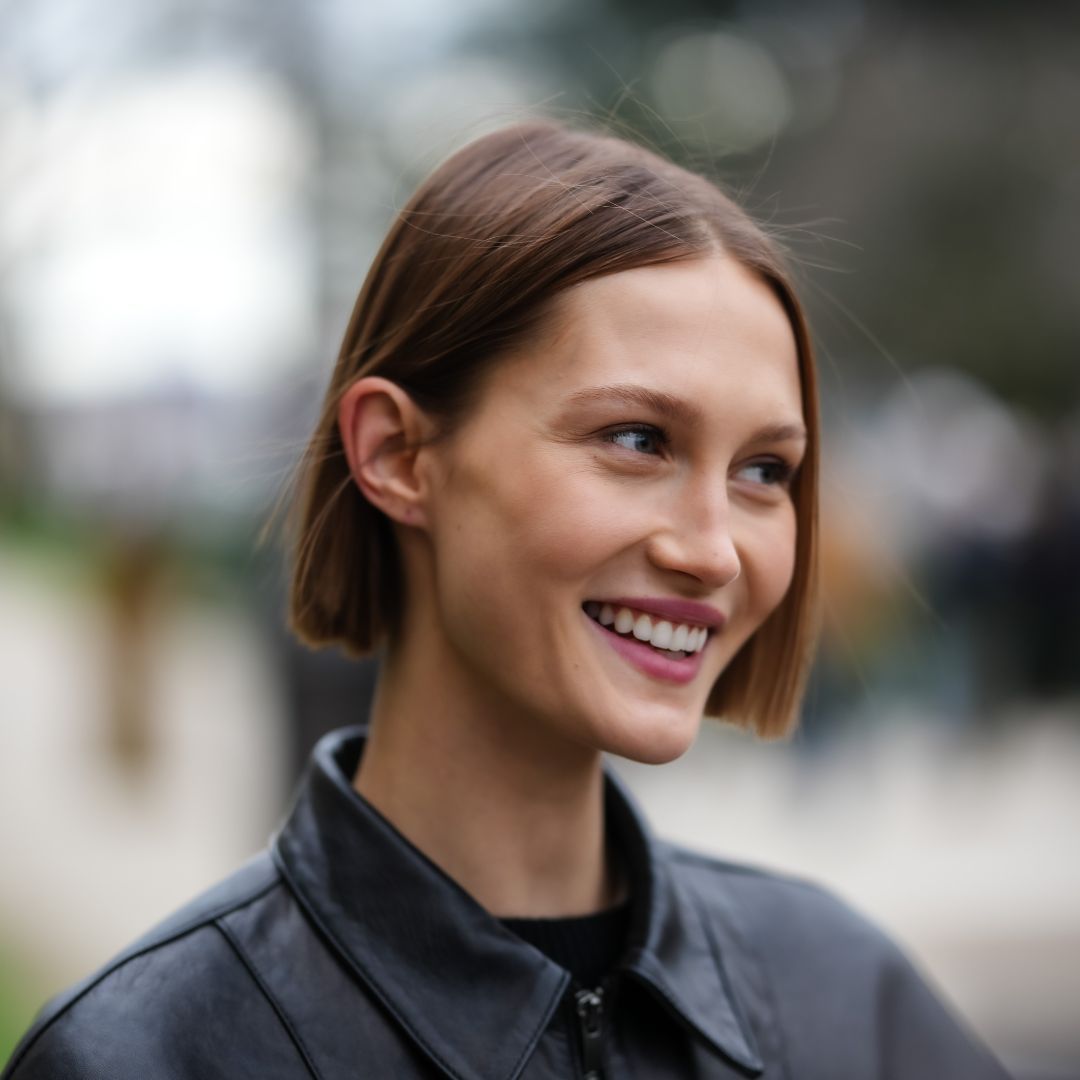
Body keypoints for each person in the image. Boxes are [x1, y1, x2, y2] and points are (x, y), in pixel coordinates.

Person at [3, 119, 1012, 1080]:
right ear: (397, 455)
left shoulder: (847, 1000)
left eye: (763, 470)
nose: (714, 551)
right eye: (636, 440)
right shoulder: (147, 1055)